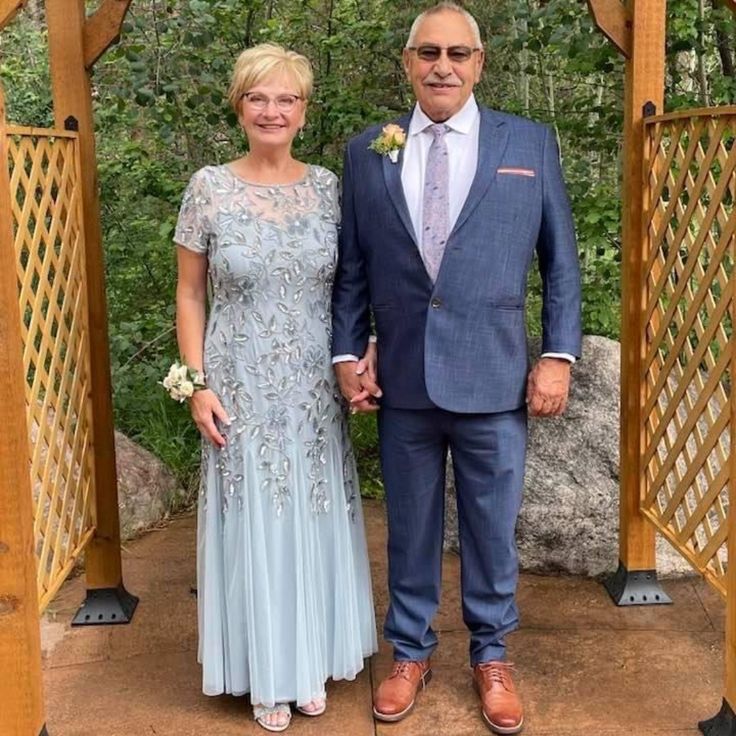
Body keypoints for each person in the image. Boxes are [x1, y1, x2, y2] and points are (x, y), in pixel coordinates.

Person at [332, 3, 581, 734]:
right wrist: (348, 353)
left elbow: (559, 263)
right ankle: (408, 652)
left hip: (496, 377)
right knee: (408, 526)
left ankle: (492, 654)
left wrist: (558, 357)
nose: (443, 65)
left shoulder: (528, 143)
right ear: (408, 62)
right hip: (403, 378)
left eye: (458, 53)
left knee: (490, 529)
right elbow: (353, 268)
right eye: (429, 52)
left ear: (480, 62)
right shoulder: (368, 150)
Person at [173, 43, 377, 733]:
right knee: (257, 518)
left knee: (312, 512)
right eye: (260, 97)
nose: (272, 110)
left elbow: (354, 284)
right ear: (239, 104)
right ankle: (266, 671)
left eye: (286, 98)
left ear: (303, 110)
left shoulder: (326, 187)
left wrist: (364, 352)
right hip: (242, 383)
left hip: (314, 388)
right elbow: (190, 292)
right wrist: (196, 383)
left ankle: (308, 658)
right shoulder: (209, 186)